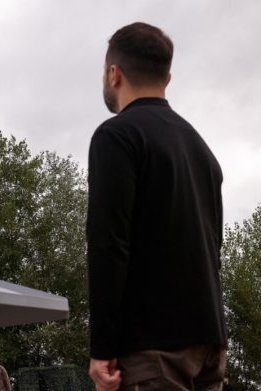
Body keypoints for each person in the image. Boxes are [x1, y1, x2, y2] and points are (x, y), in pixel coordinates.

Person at [87, 22, 228, 391]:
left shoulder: (116, 136)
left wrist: (101, 348)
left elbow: (108, 245)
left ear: (113, 74)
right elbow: (214, 248)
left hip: (153, 349)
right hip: (209, 342)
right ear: (167, 77)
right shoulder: (201, 149)